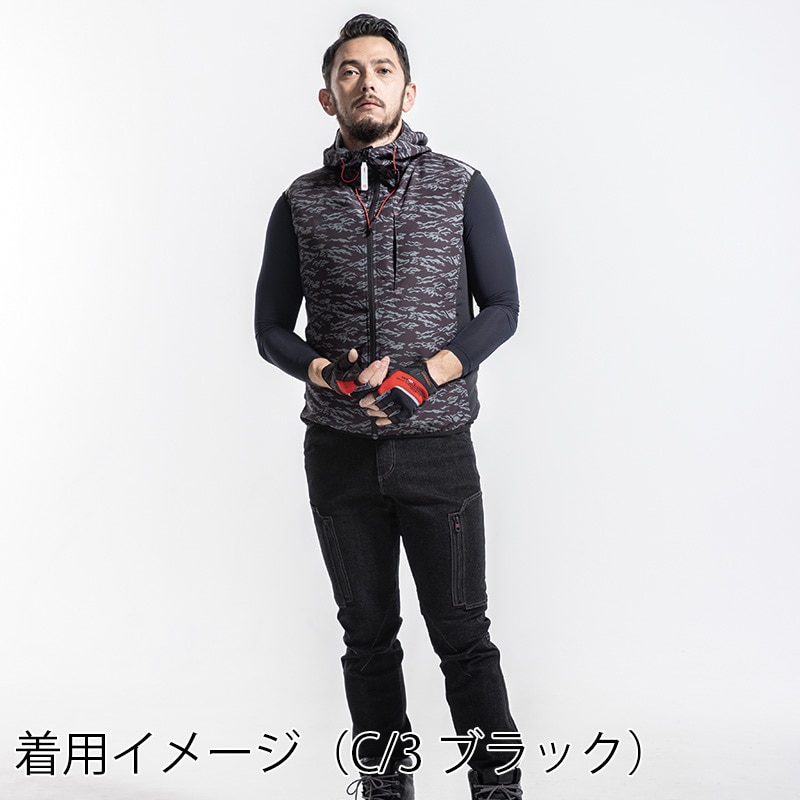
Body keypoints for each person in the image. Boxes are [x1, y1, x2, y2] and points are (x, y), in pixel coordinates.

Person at [254, 14, 523, 799]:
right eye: (349, 71)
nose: (365, 82)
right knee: (366, 638)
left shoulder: (460, 186)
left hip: (437, 450)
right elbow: (271, 329)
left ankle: (497, 788)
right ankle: (385, 788)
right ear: (327, 96)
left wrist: (423, 378)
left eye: (381, 70)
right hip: (338, 455)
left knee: (462, 636)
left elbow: (503, 308)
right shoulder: (300, 203)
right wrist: (325, 374)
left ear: (408, 91)